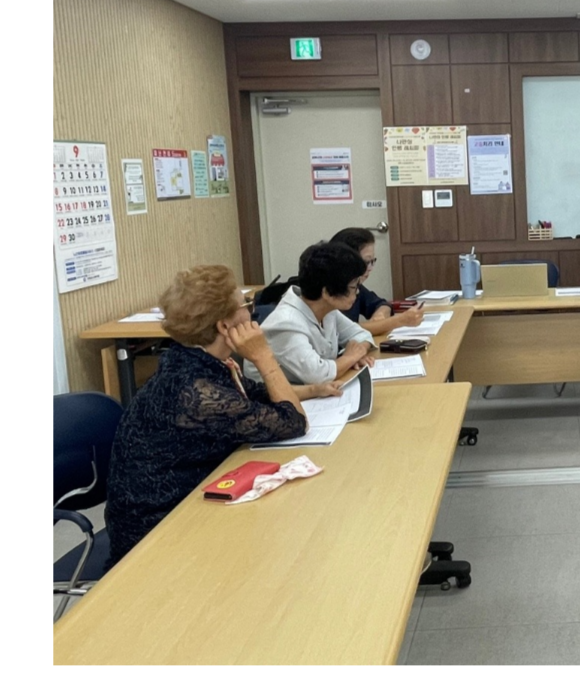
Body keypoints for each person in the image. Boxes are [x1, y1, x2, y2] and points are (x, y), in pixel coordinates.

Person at [105, 265, 339, 565]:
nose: (252, 311)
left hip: (193, 501)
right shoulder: (195, 391)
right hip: (158, 534)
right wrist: (263, 355)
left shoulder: (193, 358)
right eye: (245, 304)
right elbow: (293, 422)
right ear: (224, 326)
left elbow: (258, 393)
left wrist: (314, 389)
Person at [254, 240, 381, 385]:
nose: (357, 292)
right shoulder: (286, 323)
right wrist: (350, 358)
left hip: (313, 391)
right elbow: (317, 376)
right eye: (353, 286)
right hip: (276, 397)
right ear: (327, 292)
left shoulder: (327, 310)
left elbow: (362, 335)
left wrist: (356, 353)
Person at [328, 226, 426, 336]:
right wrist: (400, 320)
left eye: (372, 261)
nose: (370, 269)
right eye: (366, 262)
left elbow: (382, 303)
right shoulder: (330, 290)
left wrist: (380, 314)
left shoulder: (356, 285)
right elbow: (345, 330)